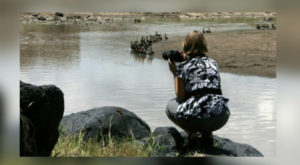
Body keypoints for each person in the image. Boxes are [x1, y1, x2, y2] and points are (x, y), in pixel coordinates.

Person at [165, 30, 230, 147]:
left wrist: (175, 73)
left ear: (185, 47)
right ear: (204, 45)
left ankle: (192, 133)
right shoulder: (213, 63)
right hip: (220, 118)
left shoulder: (183, 66)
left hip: (195, 119)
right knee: (209, 98)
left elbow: (180, 96)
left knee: (170, 106)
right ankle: (208, 134)